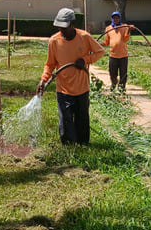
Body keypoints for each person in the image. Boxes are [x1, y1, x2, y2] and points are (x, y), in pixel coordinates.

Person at [36, 8, 105, 145]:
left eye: (65, 27)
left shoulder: (84, 37)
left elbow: (100, 52)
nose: (62, 31)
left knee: (82, 118)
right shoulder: (54, 41)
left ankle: (83, 144)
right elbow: (50, 64)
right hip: (63, 88)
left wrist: (85, 60)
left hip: (82, 88)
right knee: (66, 119)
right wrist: (43, 80)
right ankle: (68, 146)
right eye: (59, 27)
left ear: (73, 24)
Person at [103, 11, 135, 91]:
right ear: (112, 19)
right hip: (113, 55)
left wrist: (129, 29)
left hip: (123, 55)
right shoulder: (108, 28)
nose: (116, 19)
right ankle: (113, 84)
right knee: (112, 72)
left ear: (120, 18)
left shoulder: (124, 27)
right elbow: (106, 42)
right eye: (114, 18)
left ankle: (122, 88)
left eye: (117, 17)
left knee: (123, 73)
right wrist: (97, 44)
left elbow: (126, 39)